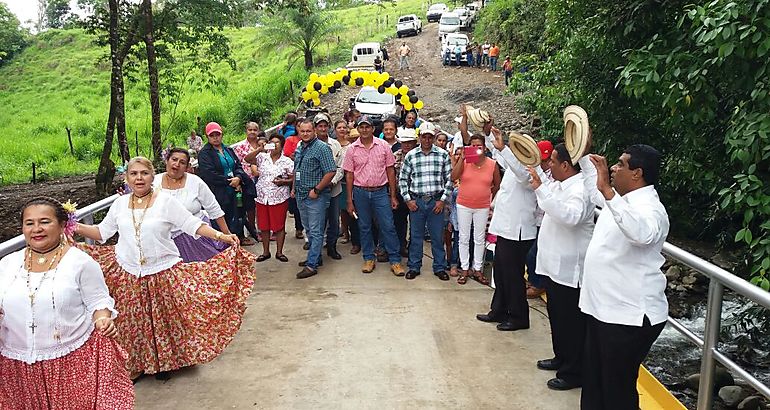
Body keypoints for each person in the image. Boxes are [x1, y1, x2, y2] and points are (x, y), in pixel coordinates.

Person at [75, 157, 255, 381]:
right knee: (133, 322)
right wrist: (73, 225)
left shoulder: (165, 201)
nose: (139, 178)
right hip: (129, 271)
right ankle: (136, 364)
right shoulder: (120, 204)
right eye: (134, 174)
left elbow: (192, 224)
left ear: (153, 176)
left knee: (163, 321)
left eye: (144, 173)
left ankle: (164, 363)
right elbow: (102, 233)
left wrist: (221, 235)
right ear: (126, 178)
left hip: (162, 269)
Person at [0, 197, 134, 408]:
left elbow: (98, 301)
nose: (37, 229)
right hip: (16, 367)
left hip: (70, 363)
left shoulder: (80, 263)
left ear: (62, 225)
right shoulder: (7, 264)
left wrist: (103, 319)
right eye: (29, 223)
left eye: (45, 222)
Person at [578, 145, 669, 410]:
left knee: (616, 389)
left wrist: (608, 191)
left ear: (637, 173)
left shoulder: (652, 209)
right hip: (604, 309)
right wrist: (582, 151)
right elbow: (593, 187)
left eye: (620, 164)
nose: (614, 169)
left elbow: (641, 234)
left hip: (628, 316)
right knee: (594, 380)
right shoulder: (621, 199)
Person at [527, 143, 595, 391]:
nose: (550, 166)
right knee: (557, 317)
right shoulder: (558, 184)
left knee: (571, 323)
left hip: (569, 269)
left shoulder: (580, 189)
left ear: (566, 165)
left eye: (553, 162)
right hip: (553, 266)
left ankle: (573, 371)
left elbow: (571, 217)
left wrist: (541, 192)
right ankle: (561, 357)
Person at [475, 128, 540, 331]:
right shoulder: (514, 165)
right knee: (501, 272)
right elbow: (498, 156)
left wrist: (504, 149)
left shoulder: (530, 168)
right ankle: (500, 309)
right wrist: (489, 136)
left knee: (513, 275)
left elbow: (521, 175)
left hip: (518, 231)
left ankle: (519, 316)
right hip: (506, 228)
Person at [342, 115, 406, 276]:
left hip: (380, 192)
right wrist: (349, 200)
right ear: (358, 129)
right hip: (360, 192)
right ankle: (369, 258)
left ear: (372, 129)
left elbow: (390, 171)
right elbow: (349, 175)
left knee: (388, 226)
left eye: (367, 127)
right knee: (364, 227)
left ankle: (395, 260)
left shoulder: (383, 146)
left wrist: (392, 195)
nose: (364, 130)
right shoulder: (352, 149)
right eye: (361, 127)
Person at [153, 148, 230, 262]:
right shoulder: (153, 182)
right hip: (166, 243)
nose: (177, 164)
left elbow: (214, 209)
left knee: (205, 274)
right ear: (166, 161)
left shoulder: (195, 182)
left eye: (182, 162)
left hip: (198, 237)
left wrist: (226, 234)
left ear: (187, 167)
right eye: (174, 159)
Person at [398, 122, 453, 281]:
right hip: (417, 202)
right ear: (419, 138)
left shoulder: (442, 155)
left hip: (436, 201)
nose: (427, 140)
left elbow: (449, 180)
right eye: (424, 137)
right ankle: (414, 266)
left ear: (434, 138)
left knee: (437, 236)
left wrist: (442, 201)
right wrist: (408, 200)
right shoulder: (411, 155)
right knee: (416, 236)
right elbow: (403, 180)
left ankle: (439, 267)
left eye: (430, 137)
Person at [450, 135, 500, 285]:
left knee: (479, 238)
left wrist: (488, 198)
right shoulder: (465, 162)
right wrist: (462, 159)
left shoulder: (492, 164)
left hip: (482, 206)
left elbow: (497, 184)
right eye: (473, 146)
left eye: (479, 146)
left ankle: (477, 268)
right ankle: (465, 268)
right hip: (464, 204)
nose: (477, 148)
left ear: (484, 148)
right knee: (463, 238)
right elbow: (454, 176)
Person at [197, 122, 256, 244]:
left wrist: (239, 178)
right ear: (207, 137)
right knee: (222, 215)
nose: (215, 137)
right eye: (212, 135)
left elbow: (238, 165)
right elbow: (209, 174)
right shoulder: (204, 153)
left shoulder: (228, 149)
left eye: (217, 134)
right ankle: (223, 242)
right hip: (219, 191)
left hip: (235, 188)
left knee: (238, 212)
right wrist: (229, 181)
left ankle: (239, 237)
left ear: (221, 135)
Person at [292, 119, 337, 279]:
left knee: (316, 230)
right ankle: (315, 257)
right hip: (300, 194)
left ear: (314, 131)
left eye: (308, 131)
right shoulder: (300, 147)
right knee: (309, 229)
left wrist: (317, 189)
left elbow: (331, 171)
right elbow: (296, 169)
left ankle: (311, 266)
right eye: (302, 131)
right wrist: (293, 189)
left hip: (315, 196)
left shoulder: (322, 148)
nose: (305, 134)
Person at [253, 134, 294, 263]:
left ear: (282, 146)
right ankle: (265, 252)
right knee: (264, 226)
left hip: (279, 197)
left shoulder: (287, 161)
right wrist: (259, 149)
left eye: (277, 143)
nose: (274, 145)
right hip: (262, 197)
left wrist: (284, 181)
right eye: (272, 142)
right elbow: (248, 159)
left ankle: (279, 252)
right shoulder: (262, 157)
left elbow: (294, 178)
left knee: (279, 226)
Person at [313, 113, 344, 261]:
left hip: (333, 190)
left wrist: (332, 182)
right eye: (320, 126)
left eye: (325, 126)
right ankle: (315, 253)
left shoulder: (336, 144)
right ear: (315, 128)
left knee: (333, 220)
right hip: (315, 191)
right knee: (317, 222)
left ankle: (332, 246)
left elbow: (340, 167)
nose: (323, 128)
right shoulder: (306, 144)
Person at [525, 140, 553, 299]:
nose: (543, 164)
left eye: (545, 160)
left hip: (545, 220)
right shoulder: (533, 171)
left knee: (534, 253)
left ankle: (538, 284)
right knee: (530, 252)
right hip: (535, 217)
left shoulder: (553, 175)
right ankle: (533, 279)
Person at [335, 121, 360, 254]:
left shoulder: (355, 147)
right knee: (345, 210)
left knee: (358, 212)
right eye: (339, 127)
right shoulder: (333, 145)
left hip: (359, 182)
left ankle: (358, 238)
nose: (342, 129)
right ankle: (347, 234)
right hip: (342, 181)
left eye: (345, 127)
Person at [282, 119, 305, 242]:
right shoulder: (291, 140)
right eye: (300, 127)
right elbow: (287, 154)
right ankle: (299, 228)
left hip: (306, 174)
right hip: (294, 172)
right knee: (296, 202)